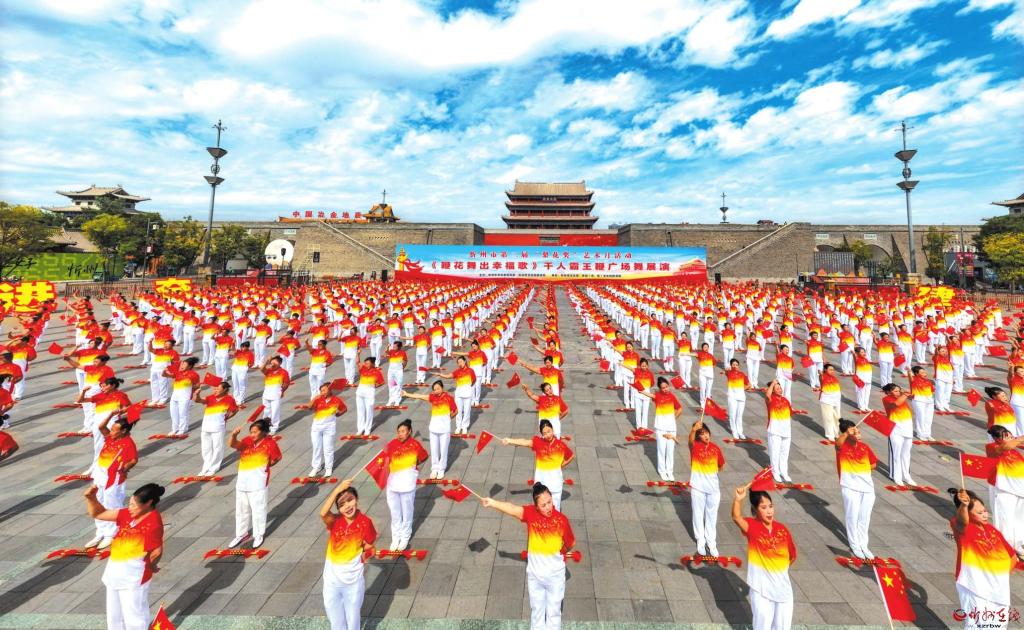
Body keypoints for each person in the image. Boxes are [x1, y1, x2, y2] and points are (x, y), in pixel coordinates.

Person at [481, 483, 575, 630]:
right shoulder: (531, 514)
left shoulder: (562, 520)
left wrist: (558, 553)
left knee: (554, 614)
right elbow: (512, 509)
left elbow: (570, 543)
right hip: (535, 576)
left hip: (555, 577)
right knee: (537, 613)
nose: (548, 507)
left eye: (549, 502)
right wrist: (492, 502)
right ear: (536, 506)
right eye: (543, 505)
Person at [84, 483, 164, 630]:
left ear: (148, 503)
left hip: (134, 578)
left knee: (135, 618)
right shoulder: (127, 514)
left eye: (134, 504)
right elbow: (99, 514)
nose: (130, 507)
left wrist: (151, 565)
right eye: (130, 503)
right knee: (115, 617)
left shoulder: (153, 524)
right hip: (114, 573)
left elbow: (157, 551)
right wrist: (91, 498)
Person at [950, 488, 1017, 629]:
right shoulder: (963, 529)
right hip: (974, 586)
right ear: (968, 513)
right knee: (976, 625)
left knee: (998, 625)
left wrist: (1000, 576)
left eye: (985, 511)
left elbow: (1012, 556)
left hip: (999, 590)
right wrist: (964, 505)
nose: (985, 515)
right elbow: (961, 521)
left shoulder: (992, 530)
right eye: (979, 513)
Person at [731, 486, 796, 630]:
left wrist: (776, 569)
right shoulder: (752, 527)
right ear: (755, 510)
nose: (769, 511)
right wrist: (738, 500)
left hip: (784, 591)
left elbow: (791, 557)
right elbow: (736, 517)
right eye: (764, 507)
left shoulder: (782, 530)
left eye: (771, 506)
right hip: (761, 590)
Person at [320, 480, 377, 630]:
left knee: (353, 620)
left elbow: (370, 543)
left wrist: (362, 549)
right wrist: (336, 490)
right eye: (341, 504)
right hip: (331, 581)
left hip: (353, 582)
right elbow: (323, 513)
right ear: (338, 509)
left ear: (356, 499)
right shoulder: (335, 521)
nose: (347, 506)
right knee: (336, 622)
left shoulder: (366, 522)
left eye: (350, 500)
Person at [86, 410, 139, 549]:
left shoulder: (128, 443)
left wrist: (124, 468)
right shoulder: (110, 438)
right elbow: (101, 427)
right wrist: (110, 415)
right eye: (113, 429)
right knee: (98, 502)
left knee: (112, 505)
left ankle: (111, 533)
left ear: (124, 431)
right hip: (100, 475)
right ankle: (100, 532)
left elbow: (134, 460)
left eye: (115, 430)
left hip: (114, 478)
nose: (112, 431)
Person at [228, 419, 282, 549]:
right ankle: (241, 534)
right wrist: (233, 435)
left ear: (263, 432)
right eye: (251, 432)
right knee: (241, 511)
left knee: (258, 510)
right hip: (242, 482)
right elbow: (233, 445)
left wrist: (264, 466)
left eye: (254, 432)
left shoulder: (270, 443)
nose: (252, 434)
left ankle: (258, 535)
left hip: (258, 483)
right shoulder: (247, 441)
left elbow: (277, 458)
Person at [500, 419, 574, 510]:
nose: (548, 435)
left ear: (552, 430)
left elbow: (571, 456)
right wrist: (509, 440)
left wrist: (561, 465)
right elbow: (524, 442)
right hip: (541, 482)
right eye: (544, 433)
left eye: (549, 431)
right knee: (541, 508)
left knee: (555, 509)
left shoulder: (561, 445)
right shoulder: (538, 442)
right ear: (541, 434)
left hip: (555, 483)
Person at [381, 419, 429, 551]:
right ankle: (395, 537)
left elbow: (424, 456)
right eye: (399, 432)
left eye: (403, 431)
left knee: (407, 512)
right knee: (395, 513)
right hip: (392, 484)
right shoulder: (392, 444)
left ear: (409, 432)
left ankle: (405, 536)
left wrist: (412, 465)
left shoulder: (415, 445)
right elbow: (384, 458)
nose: (400, 434)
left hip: (407, 484)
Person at [835, 419, 878, 559]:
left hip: (867, 488)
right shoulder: (842, 446)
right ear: (847, 434)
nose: (858, 434)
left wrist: (860, 468)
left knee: (864, 518)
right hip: (850, 487)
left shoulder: (864, 447)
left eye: (858, 432)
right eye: (855, 432)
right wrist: (847, 433)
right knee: (852, 517)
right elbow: (837, 443)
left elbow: (873, 464)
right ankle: (855, 545)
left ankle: (864, 545)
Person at [402, 381, 457, 479]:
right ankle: (434, 469)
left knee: (443, 450)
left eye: (438, 388)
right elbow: (419, 396)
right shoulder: (432, 397)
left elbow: (455, 411)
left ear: (442, 388)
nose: (436, 391)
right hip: (433, 429)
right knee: (434, 450)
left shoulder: (449, 398)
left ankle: (441, 469)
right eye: (434, 390)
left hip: (444, 430)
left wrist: (448, 418)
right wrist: (407, 394)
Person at [984, 426, 1024, 558]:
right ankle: (1004, 548)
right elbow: (1005, 446)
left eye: (1009, 434)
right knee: (1004, 520)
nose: (1010, 437)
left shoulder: (1015, 451)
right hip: (1003, 491)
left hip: (1020, 491)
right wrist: (1019, 438)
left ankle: (1018, 546)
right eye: (1005, 435)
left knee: (1019, 520)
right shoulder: (992, 448)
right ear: (996, 438)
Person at [686, 418, 724, 557]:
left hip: (713, 489)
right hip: (698, 488)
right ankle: (700, 541)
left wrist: (710, 472)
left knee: (712, 516)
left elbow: (721, 465)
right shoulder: (695, 446)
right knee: (698, 514)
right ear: (698, 437)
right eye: (702, 434)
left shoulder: (715, 448)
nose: (706, 435)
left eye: (706, 432)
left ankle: (711, 542)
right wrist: (694, 429)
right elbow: (690, 441)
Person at [636, 377, 683, 481]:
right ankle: (662, 471)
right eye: (663, 388)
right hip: (661, 428)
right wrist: (642, 391)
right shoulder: (657, 396)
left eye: (666, 387)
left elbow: (679, 408)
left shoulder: (672, 396)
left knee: (670, 451)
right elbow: (650, 395)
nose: (666, 389)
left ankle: (669, 472)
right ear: (660, 389)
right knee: (662, 450)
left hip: (671, 428)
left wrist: (673, 418)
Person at [299, 382, 347, 478]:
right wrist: (314, 398)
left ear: (330, 390)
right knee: (316, 447)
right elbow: (309, 407)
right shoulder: (318, 399)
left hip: (329, 427)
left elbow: (344, 409)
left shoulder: (336, 400)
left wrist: (338, 414)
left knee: (328, 448)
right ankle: (316, 467)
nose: (322, 392)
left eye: (324, 390)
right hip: (316, 427)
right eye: (321, 391)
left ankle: (328, 468)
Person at [194, 380, 238, 476]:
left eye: (218, 389)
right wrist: (197, 394)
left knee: (217, 448)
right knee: (206, 448)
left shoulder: (229, 399)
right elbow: (198, 400)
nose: (215, 390)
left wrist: (227, 417)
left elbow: (235, 410)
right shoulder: (211, 397)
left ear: (225, 389)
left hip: (218, 427)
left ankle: (214, 467)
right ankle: (206, 467)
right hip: (206, 427)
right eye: (215, 388)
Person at [881, 383, 916, 487]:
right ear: (888, 392)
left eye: (899, 390)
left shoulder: (902, 398)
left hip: (907, 429)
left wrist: (907, 394)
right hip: (895, 430)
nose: (898, 392)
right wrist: (905, 394)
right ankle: (895, 476)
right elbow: (896, 404)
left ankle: (906, 476)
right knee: (895, 454)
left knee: (906, 454)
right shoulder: (886, 399)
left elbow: (913, 396)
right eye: (896, 391)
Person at [432, 355, 476, 433]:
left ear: (465, 361)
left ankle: (464, 427)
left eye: (461, 361)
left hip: (468, 394)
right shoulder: (457, 371)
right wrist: (440, 374)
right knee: (458, 411)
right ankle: (458, 426)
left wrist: (468, 387)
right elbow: (448, 376)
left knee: (467, 411)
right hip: (459, 394)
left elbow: (474, 380)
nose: (460, 363)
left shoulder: (470, 371)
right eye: (458, 362)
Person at [765, 379, 794, 483]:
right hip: (774, 431)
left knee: (784, 453)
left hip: (786, 431)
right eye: (777, 388)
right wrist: (773, 383)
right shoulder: (770, 400)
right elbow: (767, 395)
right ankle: (775, 472)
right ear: (773, 390)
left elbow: (790, 413)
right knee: (775, 453)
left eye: (780, 388)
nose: (780, 390)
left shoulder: (786, 400)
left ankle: (784, 472)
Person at [163, 356, 199, 435]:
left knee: (183, 413)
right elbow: (165, 375)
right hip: (174, 397)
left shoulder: (194, 375)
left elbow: (197, 385)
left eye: (184, 364)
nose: (182, 366)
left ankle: (183, 429)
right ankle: (175, 429)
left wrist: (192, 392)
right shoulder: (178, 372)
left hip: (184, 397)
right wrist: (164, 371)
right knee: (173, 414)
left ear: (189, 366)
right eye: (182, 364)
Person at [259, 356, 291, 435]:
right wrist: (267, 361)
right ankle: (266, 426)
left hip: (276, 395)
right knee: (266, 411)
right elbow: (261, 369)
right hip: (266, 394)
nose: (272, 363)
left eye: (275, 362)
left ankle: (274, 428)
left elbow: (286, 383)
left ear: (279, 363)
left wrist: (281, 391)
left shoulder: (283, 372)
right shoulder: (268, 371)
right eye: (272, 362)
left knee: (275, 412)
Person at [354, 357, 385, 436]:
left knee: (369, 411)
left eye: (367, 363)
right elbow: (358, 362)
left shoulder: (377, 372)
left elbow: (382, 382)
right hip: (360, 393)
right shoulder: (363, 369)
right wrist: (358, 354)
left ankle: (367, 429)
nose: (365, 364)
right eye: (365, 363)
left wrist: (374, 386)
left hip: (369, 394)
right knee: (360, 412)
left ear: (372, 364)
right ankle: (360, 429)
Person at [724, 358, 752, 440]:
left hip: (741, 397)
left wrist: (742, 389)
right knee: (732, 415)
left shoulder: (742, 374)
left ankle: (740, 432)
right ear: (731, 365)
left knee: (739, 415)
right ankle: (734, 431)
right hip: (732, 397)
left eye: (736, 365)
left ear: (739, 366)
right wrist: (727, 369)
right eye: (733, 364)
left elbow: (749, 384)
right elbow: (726, 371)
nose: (735, 366)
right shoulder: (729, 373)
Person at [909, 366, 936, 441]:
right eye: (922, 372)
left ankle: (927, 434)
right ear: (916, 374)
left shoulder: (928, 381)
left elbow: (932, 391)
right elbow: (910, 376)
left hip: (929, 402)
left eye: (924, 372)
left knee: (929, 419)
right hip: (919, 401)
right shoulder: (914, 380)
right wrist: (909, 371)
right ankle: (920, 434)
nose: (925, 373)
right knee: (921, 417)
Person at [818, 364, 842, 441]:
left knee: (837, 417)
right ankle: (830, 435)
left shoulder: (834, 378)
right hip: (827, 400)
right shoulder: (823, 376)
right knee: (828, 418)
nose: (832, 371)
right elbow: (821, 378)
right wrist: (821, 374)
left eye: (833, 370)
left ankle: (836, 433)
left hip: (836, 400)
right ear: (825, 370)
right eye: (830, 370)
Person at [696, 343, 715, 407]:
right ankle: (702, 403)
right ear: (702, 348)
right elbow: (694, 354)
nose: (706, 348)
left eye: (707, 347)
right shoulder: (700, 354)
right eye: (704, 347)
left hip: (710, 375)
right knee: (702, 388)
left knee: (708, 390)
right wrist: (685, 354)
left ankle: (707, 403)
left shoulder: (711, 355)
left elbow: (714, 363)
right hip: (702, 374)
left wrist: (709, 369)